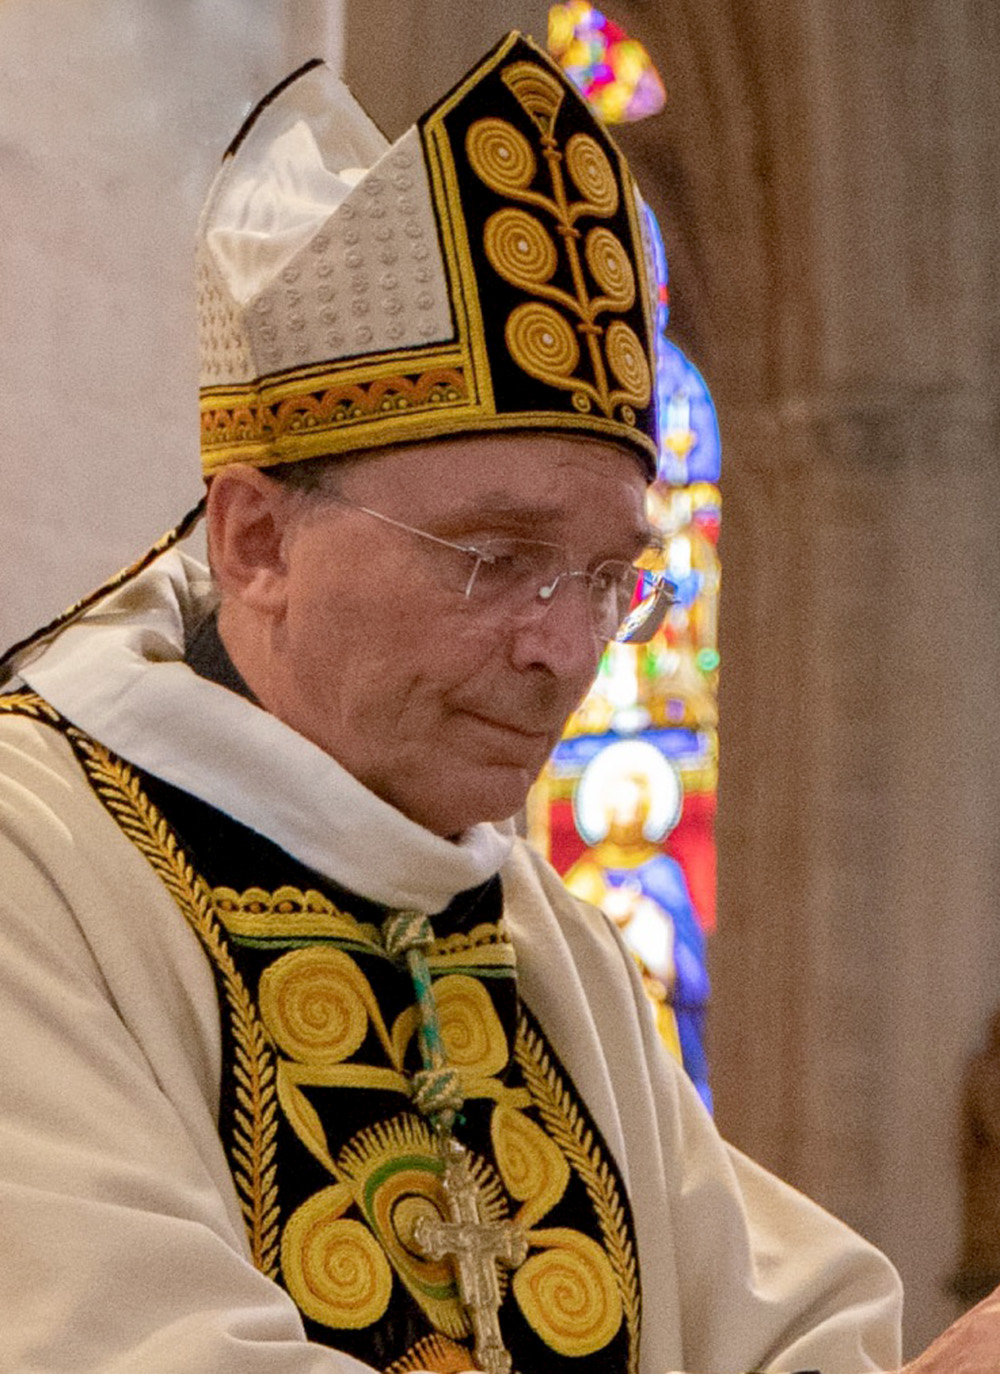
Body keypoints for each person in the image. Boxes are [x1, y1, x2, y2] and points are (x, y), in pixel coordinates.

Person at [1, 29, 995, 1374]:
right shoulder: (41, 867)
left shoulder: (536, 939)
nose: (566, 647)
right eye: (499, 560)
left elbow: (783, 1330)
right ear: (255, 540)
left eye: (608, 577)